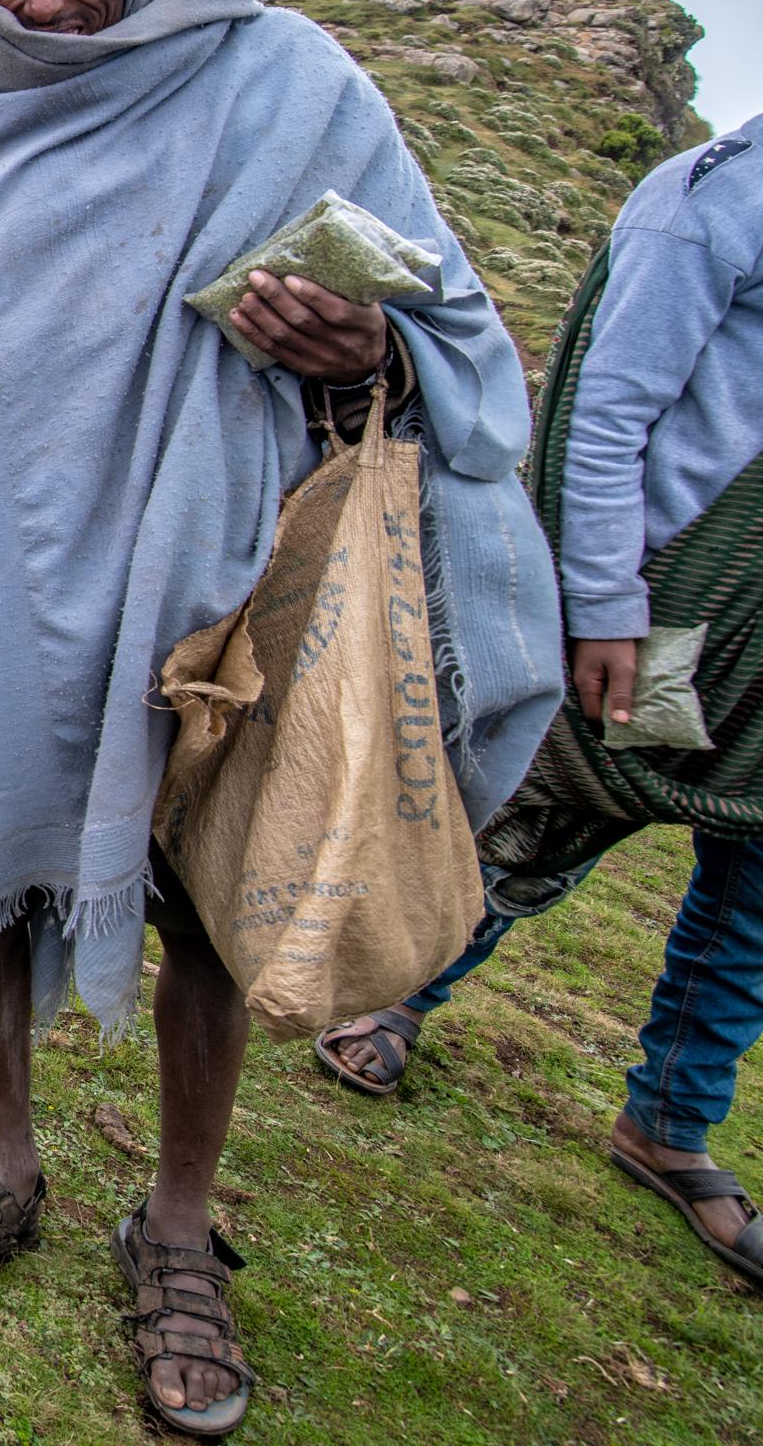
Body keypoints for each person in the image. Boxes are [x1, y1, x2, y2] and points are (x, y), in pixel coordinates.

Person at [0, 0, 561, 1435]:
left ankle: (176, 1223)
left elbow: (457, 336)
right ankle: (5, 1153)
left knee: (214, 908)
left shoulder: (286, 82)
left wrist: (358, 353)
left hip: (209, 587)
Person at [315, 120, 760, 1288]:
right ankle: (406, 991)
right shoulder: (716, 201)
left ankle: (672, 1118)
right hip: (680, 606)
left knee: (754, 887)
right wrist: (603, 598)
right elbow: (608, 405)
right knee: (549, 807)